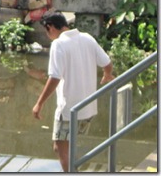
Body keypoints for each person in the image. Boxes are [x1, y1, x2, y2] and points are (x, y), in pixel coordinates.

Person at [32, 11, 115, 172]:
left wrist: (39, 103)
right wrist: (107, 74)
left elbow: (54, 78)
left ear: (50, 27)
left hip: (69, 110)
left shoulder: (59, 44)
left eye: (46, 30)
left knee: (60, 147)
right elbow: (107, 62)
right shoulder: (87, 38)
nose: (47, 35)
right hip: (89, 109)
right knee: (69, 145)